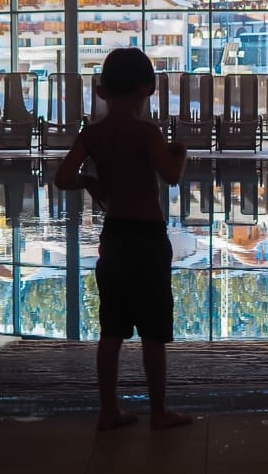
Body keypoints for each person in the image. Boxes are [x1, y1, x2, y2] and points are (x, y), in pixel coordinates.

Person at [55, 48, 192, 432]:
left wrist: (87, 180)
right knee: (152, 332)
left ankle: (108, 410)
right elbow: (171, 176)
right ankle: (160, 411)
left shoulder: (92, 134)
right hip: (147, 240)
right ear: (146, 88)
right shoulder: (147, 132)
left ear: (101, 91)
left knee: (111, 331)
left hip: (113, 238)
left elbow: (63, 178)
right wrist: (178, 153)